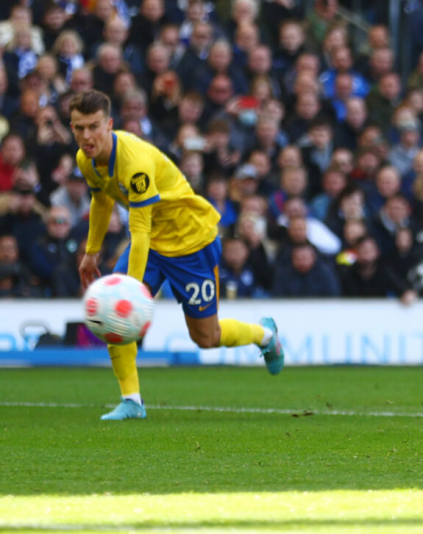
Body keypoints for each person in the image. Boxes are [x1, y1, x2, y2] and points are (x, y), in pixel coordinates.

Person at [71, 90, 284, 421]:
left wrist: (132, 289)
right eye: (78, 128)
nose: (86, 136)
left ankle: (265, 335)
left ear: (109, 124)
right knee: (113, 313)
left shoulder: (135, 163)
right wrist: (91, 252)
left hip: (191, 242)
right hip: (153, 244)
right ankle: (132, 401)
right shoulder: (86, 159)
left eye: (93, 127)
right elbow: (101, 200)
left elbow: (138, 230)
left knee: (206, 338)